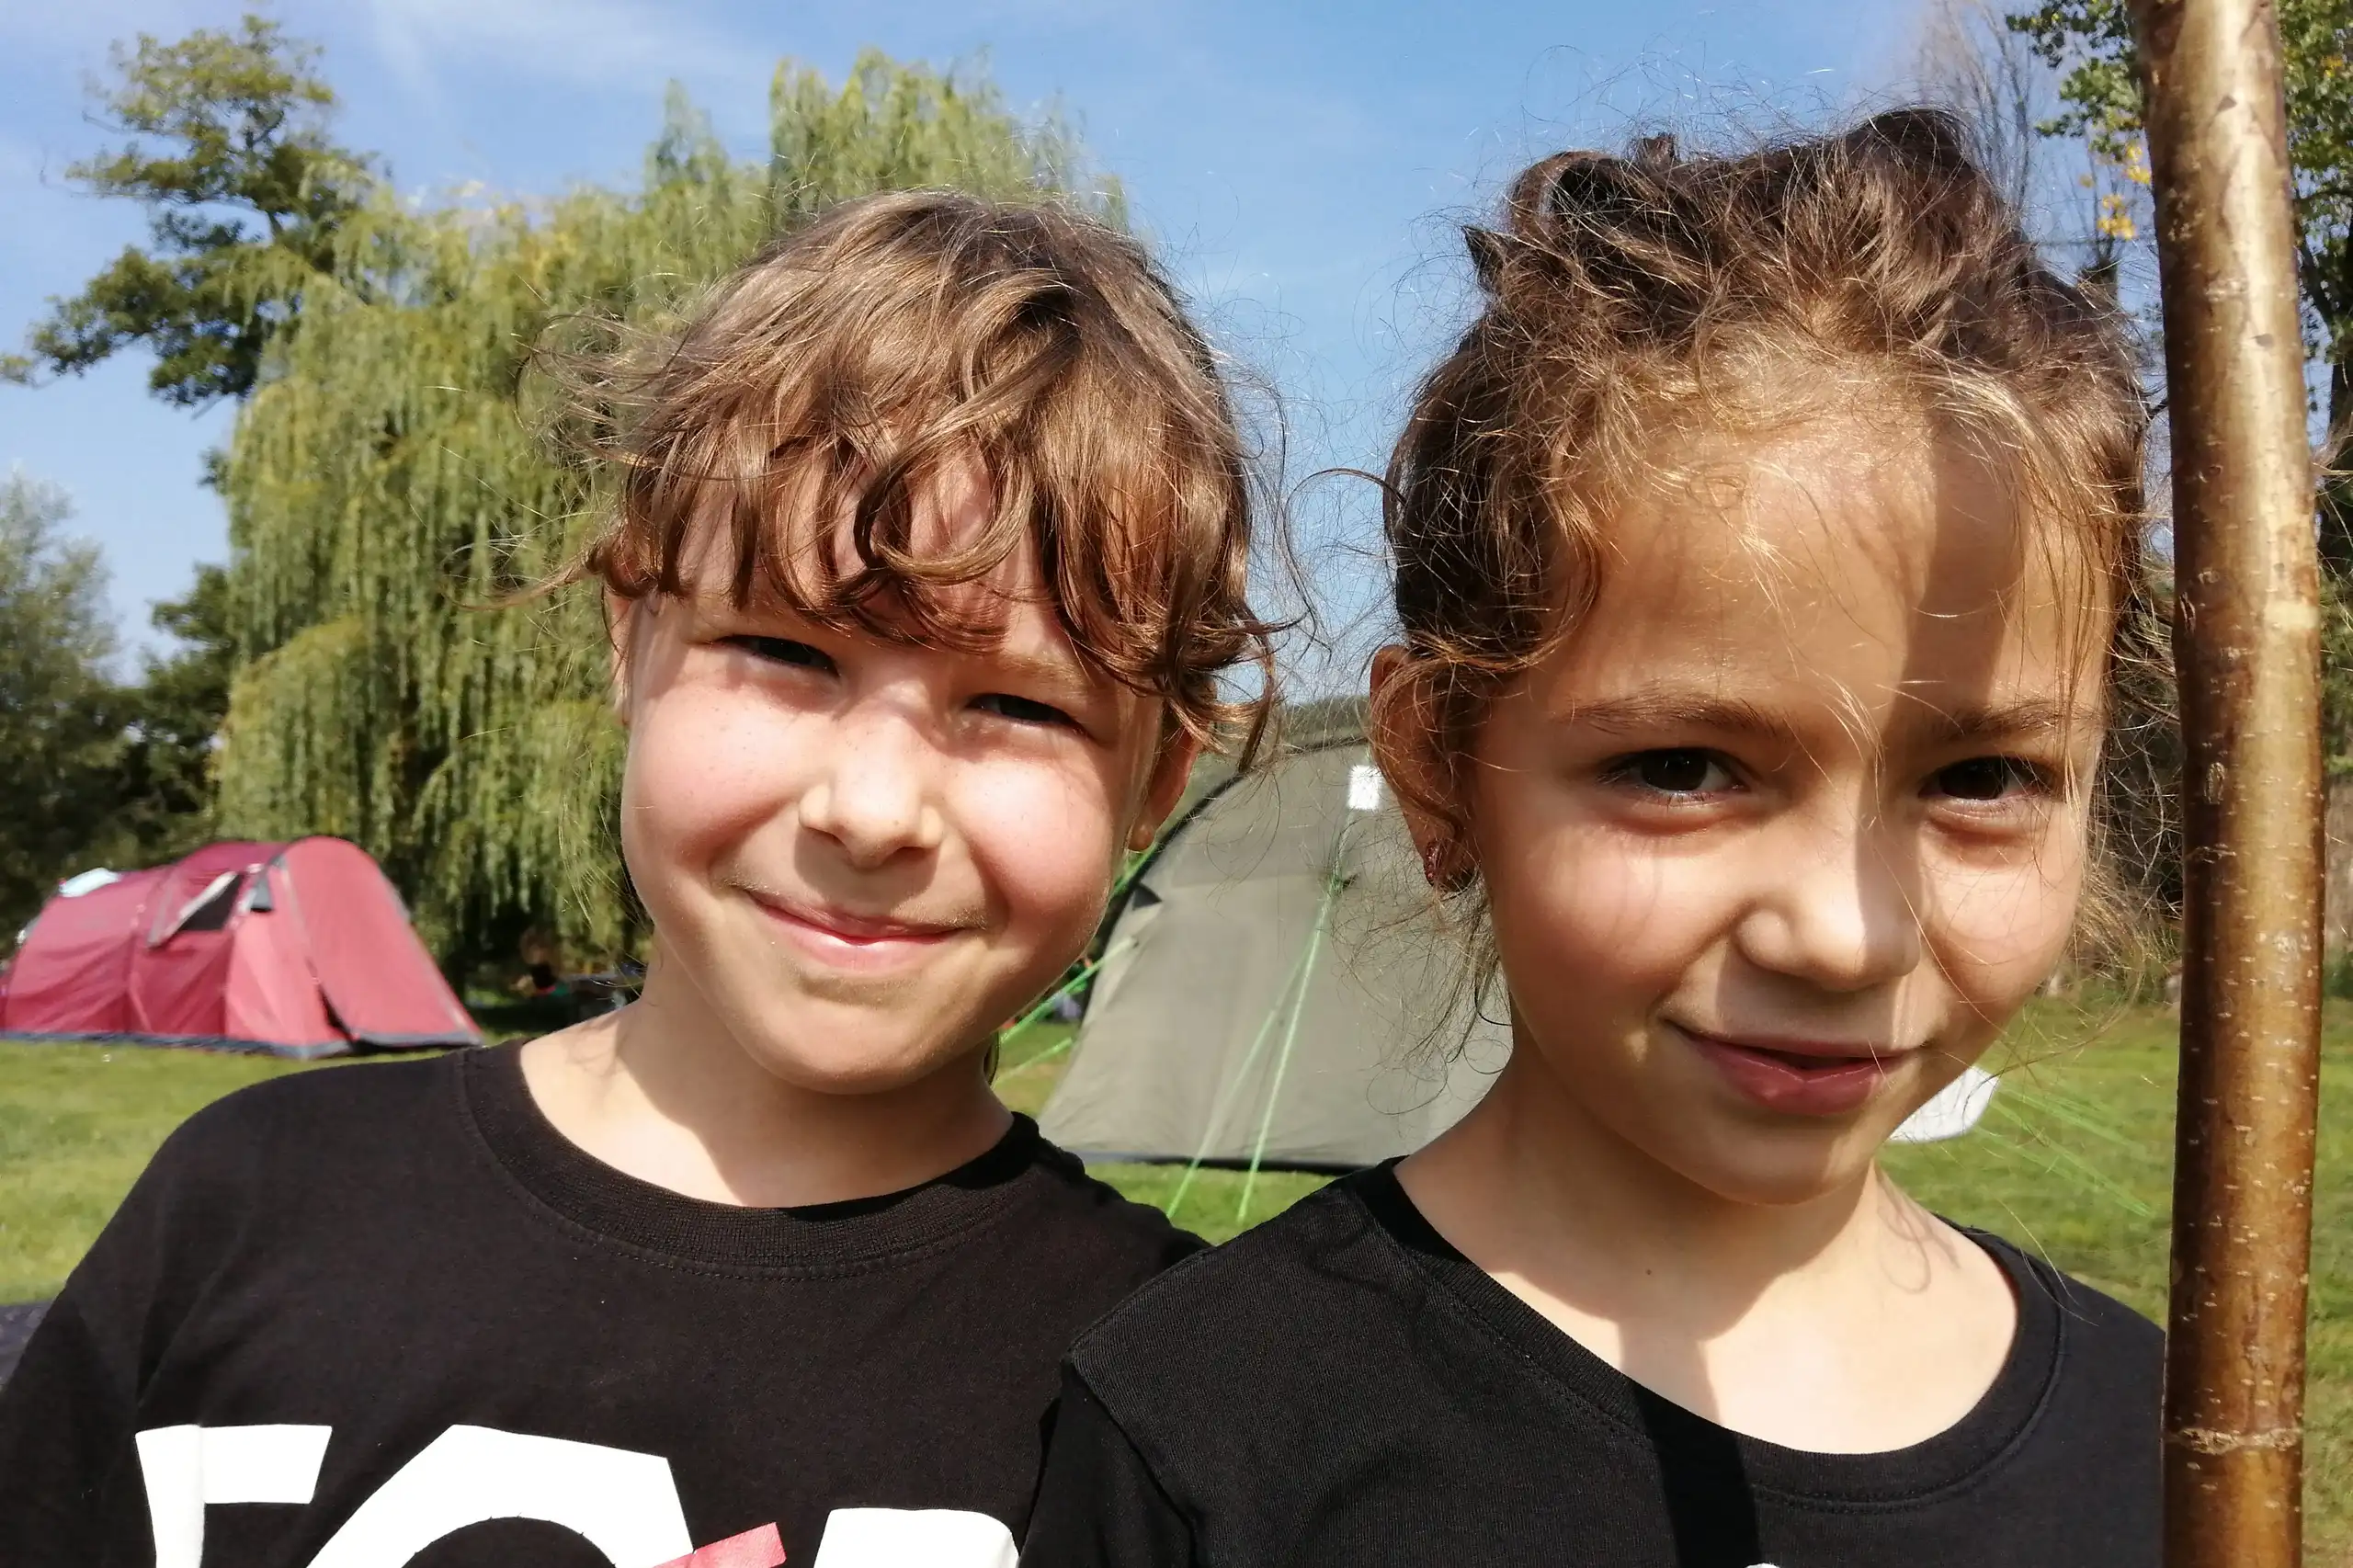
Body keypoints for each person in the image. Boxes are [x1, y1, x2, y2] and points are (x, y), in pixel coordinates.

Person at [0, 190, 1276, 1568]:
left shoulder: (1185, 1397)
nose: (871, 811)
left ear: (1158, 777)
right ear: (631, 638)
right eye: (785, 652)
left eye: (1021, 706)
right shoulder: (248, 1197)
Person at [1023, 109, 2162, 1567]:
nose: (1846, 933)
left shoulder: (2163, 1434)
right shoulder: (1208, 1436)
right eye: (1681, 767)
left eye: (1985, 778)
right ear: (1438, 765)